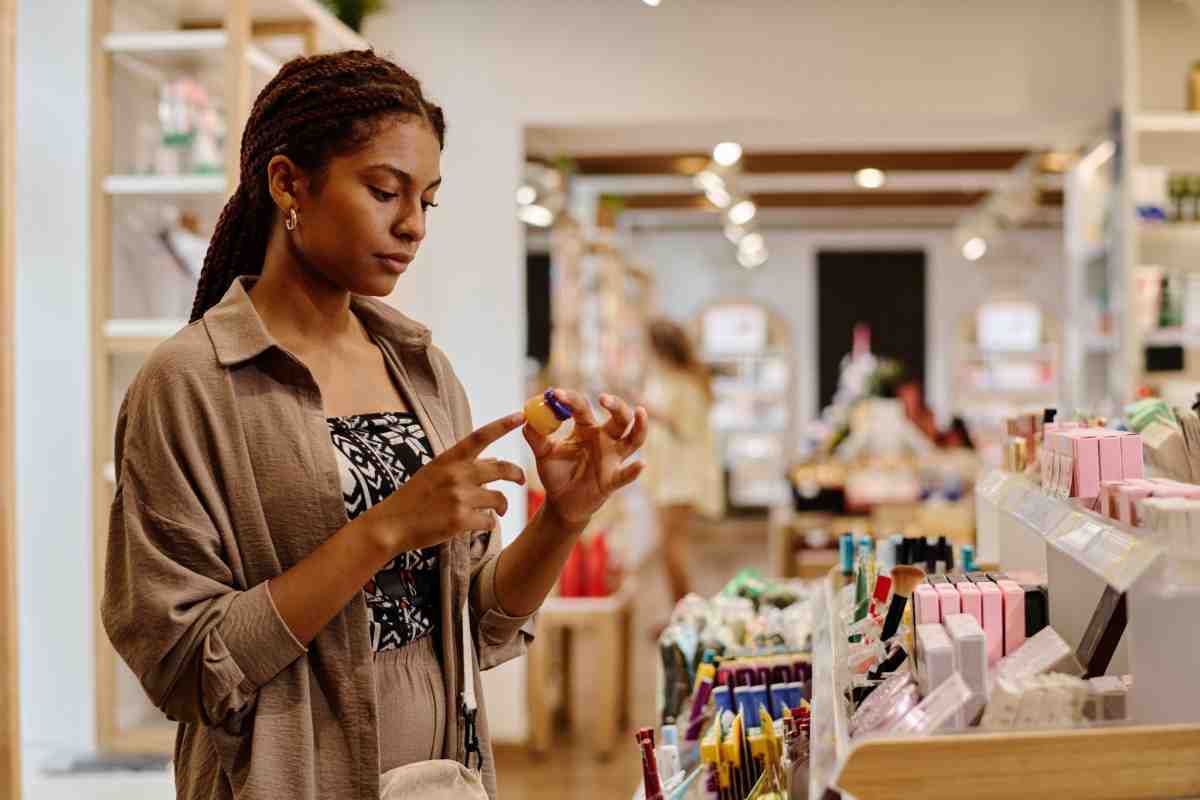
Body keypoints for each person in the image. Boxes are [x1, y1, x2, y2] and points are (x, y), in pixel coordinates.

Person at [100, 51, 647, 800]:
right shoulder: (190, 384)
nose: (413, 224)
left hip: (443, 778)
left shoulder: (421, 370)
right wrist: (385, 529)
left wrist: (563, 520)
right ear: (288, 181)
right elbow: (185, 664)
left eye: (428, 199)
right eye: (385, 191)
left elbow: (476, 626)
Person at [641, 318, 722, 605]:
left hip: (680, 476)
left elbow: (686, 426)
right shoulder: (664, 378)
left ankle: (684, 612)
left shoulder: (687, 384)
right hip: (666, 474)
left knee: (672, 549)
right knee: (670, 549)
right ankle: (680, 611)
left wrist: (648, 409)